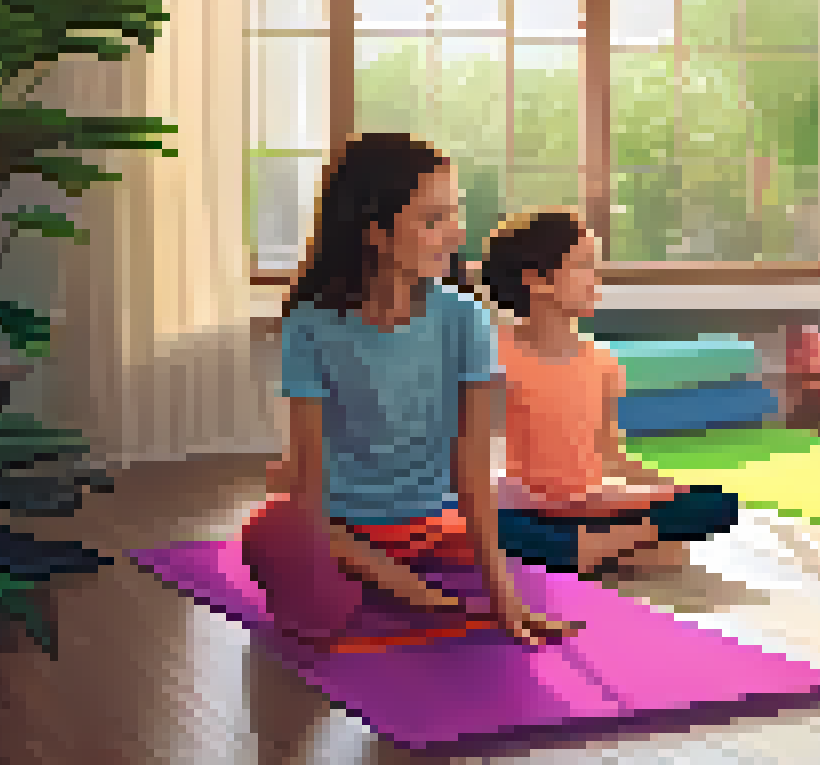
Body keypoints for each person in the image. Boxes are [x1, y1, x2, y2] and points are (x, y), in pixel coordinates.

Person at [250, 133, 575, 648]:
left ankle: (388, 582)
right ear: (375, 233)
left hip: (434, 526)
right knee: (271, 541)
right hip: (343, 527)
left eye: (455, 214)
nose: (454, 233)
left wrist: (502, 594)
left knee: (519, 562)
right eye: (432, 220)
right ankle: (376, 575)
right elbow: (308, 475)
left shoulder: (463, 315)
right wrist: (320, 550)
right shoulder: (309, 326)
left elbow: (472, 464)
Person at [481, 208, 740, 579]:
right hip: (521, 504)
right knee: (475, 523)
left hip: (588, 504)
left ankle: (592, 548)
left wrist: (670, 487)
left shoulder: (601, 362)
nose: (595, 279)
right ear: (536, 280)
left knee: (716, 503)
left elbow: (609, 456)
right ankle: (610, 549)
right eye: (584, 265)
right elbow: (468, 447)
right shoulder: (492, 353)